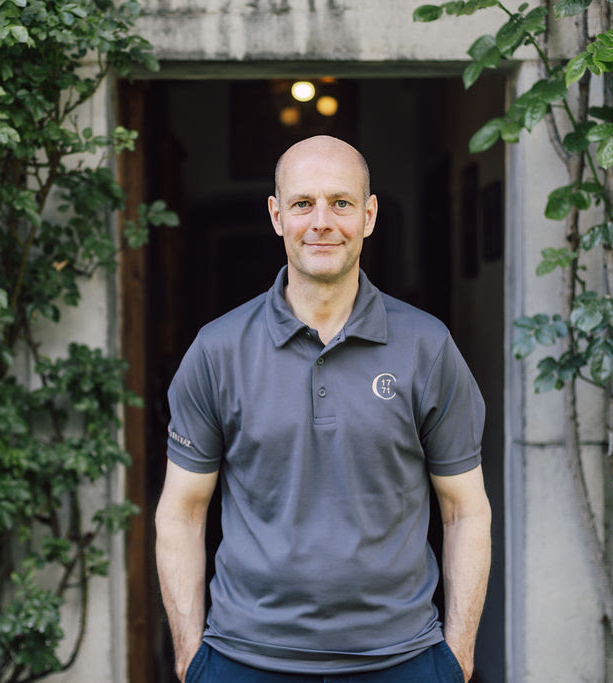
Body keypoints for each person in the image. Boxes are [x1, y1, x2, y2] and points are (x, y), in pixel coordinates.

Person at [155, 135, 491, 682]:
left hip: (401, 659)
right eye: (303, 203)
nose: (322, 222)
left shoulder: (427, 347)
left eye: (340, 202)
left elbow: (465, 509)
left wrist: (458, 656)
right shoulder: (217, 351)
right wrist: (193, 659)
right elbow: (182, 511)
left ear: (369, 214)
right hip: (245, 659)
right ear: (276, 215)